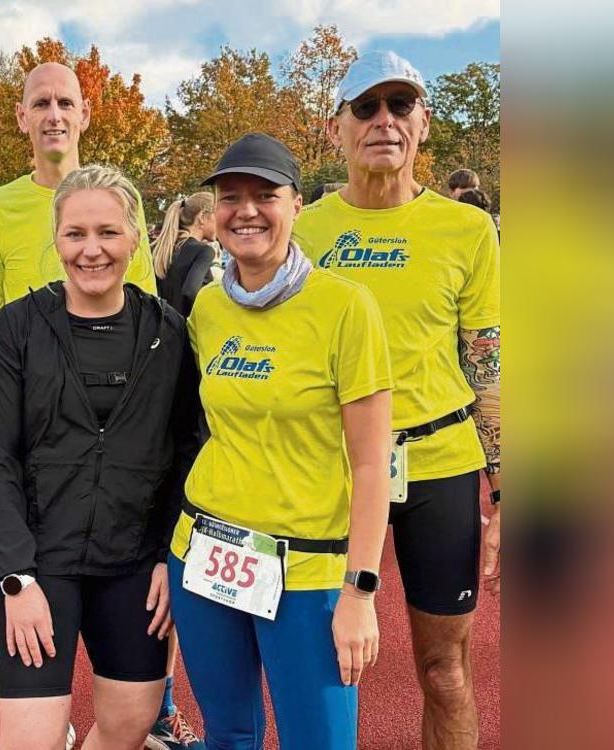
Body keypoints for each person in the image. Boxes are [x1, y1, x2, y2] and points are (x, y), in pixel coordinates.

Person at [297, 51, 501, 750]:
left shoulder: (469, 231)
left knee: (444, 670)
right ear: (336, 130)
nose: (384, 120)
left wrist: (501, 490)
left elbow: (487, 364)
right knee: (328, 660)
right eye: (366, 107)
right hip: (329, 467)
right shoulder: (304, 232)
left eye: (400, 105)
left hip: (439, 464)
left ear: (424, 122)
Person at [166, 133, 393, 750]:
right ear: (213, 213)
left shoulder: (346, 307)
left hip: (308, 569)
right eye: (230, 196)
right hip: (206, 551)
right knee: (229, 734)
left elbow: (373, 464)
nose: (246, 210)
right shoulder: (209, 308)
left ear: (295, 204)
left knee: (318, 741)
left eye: (264, 195)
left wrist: (360, 590)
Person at [0, 165, 202, 750]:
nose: (91, 250)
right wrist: (15, 577)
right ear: (56, 240)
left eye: (106, 232)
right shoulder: (16, 328)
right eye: (75, 234)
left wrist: (167, 556)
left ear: (133, 238)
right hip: (41, 561)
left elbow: (186, 452)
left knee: (129, 724)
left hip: (133, 563)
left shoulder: (167, 333)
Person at [0, 62, 157, 325]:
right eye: (41, 103)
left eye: (66, 103)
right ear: (22, 117)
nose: (54, 116)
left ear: (85, 114)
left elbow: (143, 300)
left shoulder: (120, 198)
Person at [153, 191, 216, 317]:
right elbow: (191, 291)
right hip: (185, 328)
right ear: (202, 217)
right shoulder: (204, 251)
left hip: (159, 328)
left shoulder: (159, 249)